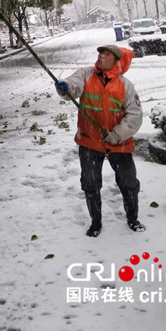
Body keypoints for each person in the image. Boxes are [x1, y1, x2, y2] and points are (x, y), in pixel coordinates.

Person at [55, 44, 144, 238]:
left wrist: (115, 135)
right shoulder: (86, 74)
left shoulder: (126, 85)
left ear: (116, 60)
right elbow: (73, 84)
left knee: (128, 182)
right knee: (90, 183)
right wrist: (65, 88)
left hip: (118, 143)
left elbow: (135, 116)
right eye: (100, 53)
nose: (101, 57)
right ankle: (95, 222)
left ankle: (133, 218)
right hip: (90, 141)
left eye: (107, 54)